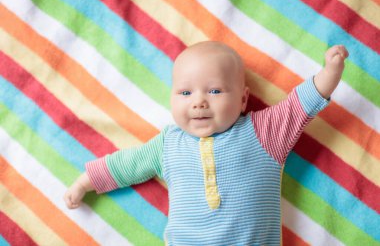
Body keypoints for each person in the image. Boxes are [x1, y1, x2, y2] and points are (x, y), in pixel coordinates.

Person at [64, 41, 348, 245]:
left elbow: (299, 106)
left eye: (214, 90)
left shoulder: (262, 132)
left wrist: (330, 72)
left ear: (243, 99)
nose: (199, 101)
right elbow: (127, 164)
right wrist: (85, 182)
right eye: (185, 92)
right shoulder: (169, 144)